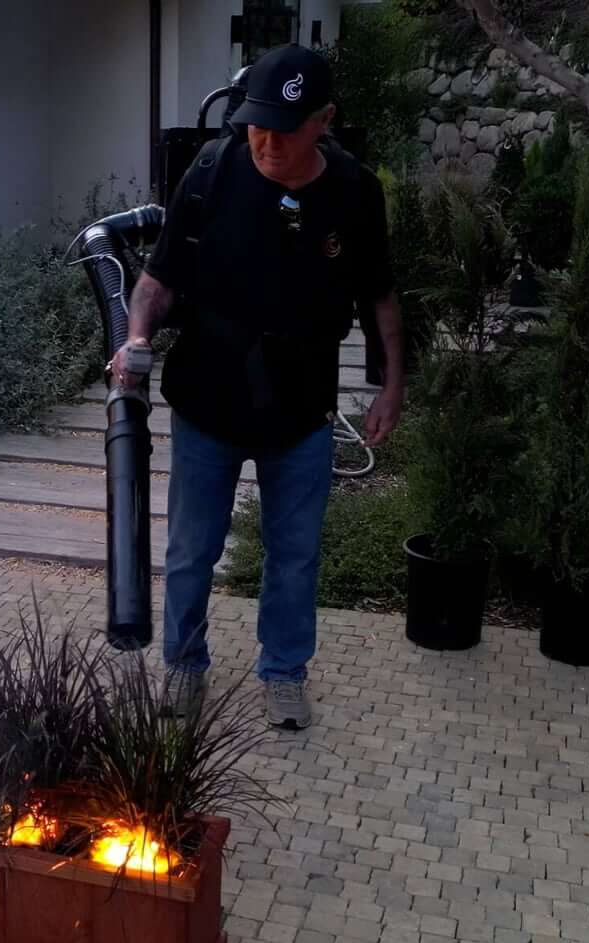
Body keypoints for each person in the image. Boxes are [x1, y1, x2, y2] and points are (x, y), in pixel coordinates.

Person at [111, 44, 406, 731]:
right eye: (255, 124)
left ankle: (283, 673)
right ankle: (184, 666)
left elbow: (381, 294)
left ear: (324, 120)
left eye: (284, 127)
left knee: (295, 555)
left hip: (301, 406)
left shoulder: (355, 192)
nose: (266, 141)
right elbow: (158, 279)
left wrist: (393, 384)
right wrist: (137, 337)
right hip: (208, 399)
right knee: (191, 550)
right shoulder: (212, 172)